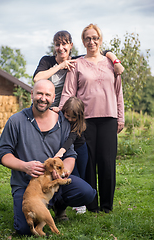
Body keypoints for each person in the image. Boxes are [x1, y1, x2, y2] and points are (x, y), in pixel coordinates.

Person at [0, 79, 96, 236]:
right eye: (39, 93)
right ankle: (42, 207)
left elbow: (70, 154)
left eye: (47, 95)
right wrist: (24, 166)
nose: (43, 98)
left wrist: (65, 172)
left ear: (53, 97)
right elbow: (2, 154)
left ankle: (58, 205)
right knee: (24, 229)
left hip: (55, 182)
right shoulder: (16, 121)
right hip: (27, 186)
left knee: (87, 193)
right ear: (32, 94)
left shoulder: (63, 121)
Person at [59, 24, 125, 213]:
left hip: (109, 118)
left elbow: (118, 92)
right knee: (88, 163)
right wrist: (60, 110)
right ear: (83, 41)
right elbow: (69, 92)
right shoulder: (77, 64)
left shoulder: (111, 64)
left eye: (95, 38)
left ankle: (106, 206)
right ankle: (92, 206)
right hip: (84, 120)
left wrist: (121, 117)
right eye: (87, 38)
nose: (91, 41)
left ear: (100, 40)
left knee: (107, 162)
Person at [33, 30, 124, 107]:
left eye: (64, 44)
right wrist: (60, 66)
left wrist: (116, 62)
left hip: (64, 112)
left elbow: (104, 53)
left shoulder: (77, 61)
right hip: (43, 107)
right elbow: (37, 78)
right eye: (57, 45)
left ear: (71, 45)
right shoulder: (47, 61)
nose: (61, 48)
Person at [54, 96, 88, 214]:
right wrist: (56, 110)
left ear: (79, 117)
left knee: (81, 174)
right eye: (67, 115)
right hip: (68, 151)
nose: (70, 119)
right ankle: (71, 201)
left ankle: (81, 203)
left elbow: (70, 139)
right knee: (73, 173)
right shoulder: (61, 117)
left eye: (73, 117)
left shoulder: (78, 125)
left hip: (80, 149)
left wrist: (61, 151)